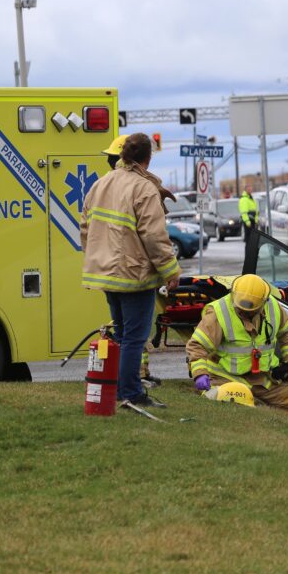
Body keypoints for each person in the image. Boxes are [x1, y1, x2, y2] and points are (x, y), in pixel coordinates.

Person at [81, 133, 180, 409]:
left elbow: (85, 228)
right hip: (134, 276)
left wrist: (97, 258)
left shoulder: (100, 185)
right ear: (147, 158)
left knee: (123, 335)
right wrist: (171, 271)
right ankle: (131, 393)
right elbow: (154, 236)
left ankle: (119, 390)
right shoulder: (143, 188)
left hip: (108, 275)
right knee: (135, 338)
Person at [186, 274, 288, 428]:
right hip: (226, 377)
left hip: (265, 377)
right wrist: (200, 373)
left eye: (249, 311)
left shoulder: (273, 307)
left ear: (263, 302)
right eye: (240, 309)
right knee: (238, 414)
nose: (243, 313)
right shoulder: (219, 312)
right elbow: (197, 345)